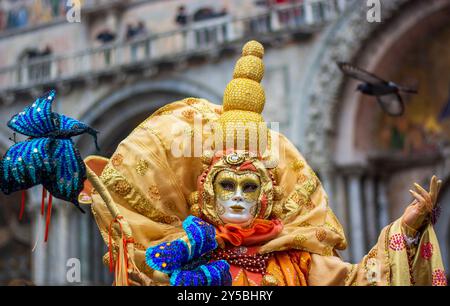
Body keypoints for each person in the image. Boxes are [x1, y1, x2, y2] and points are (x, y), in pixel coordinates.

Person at [84, 41, 447, 286]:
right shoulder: (187, 257)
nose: (238, 196)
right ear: (208, 194)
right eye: (228, 185)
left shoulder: (296, 263)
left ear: (265, 196)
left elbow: (360, 280)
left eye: (249, 186)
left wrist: (407, 230)